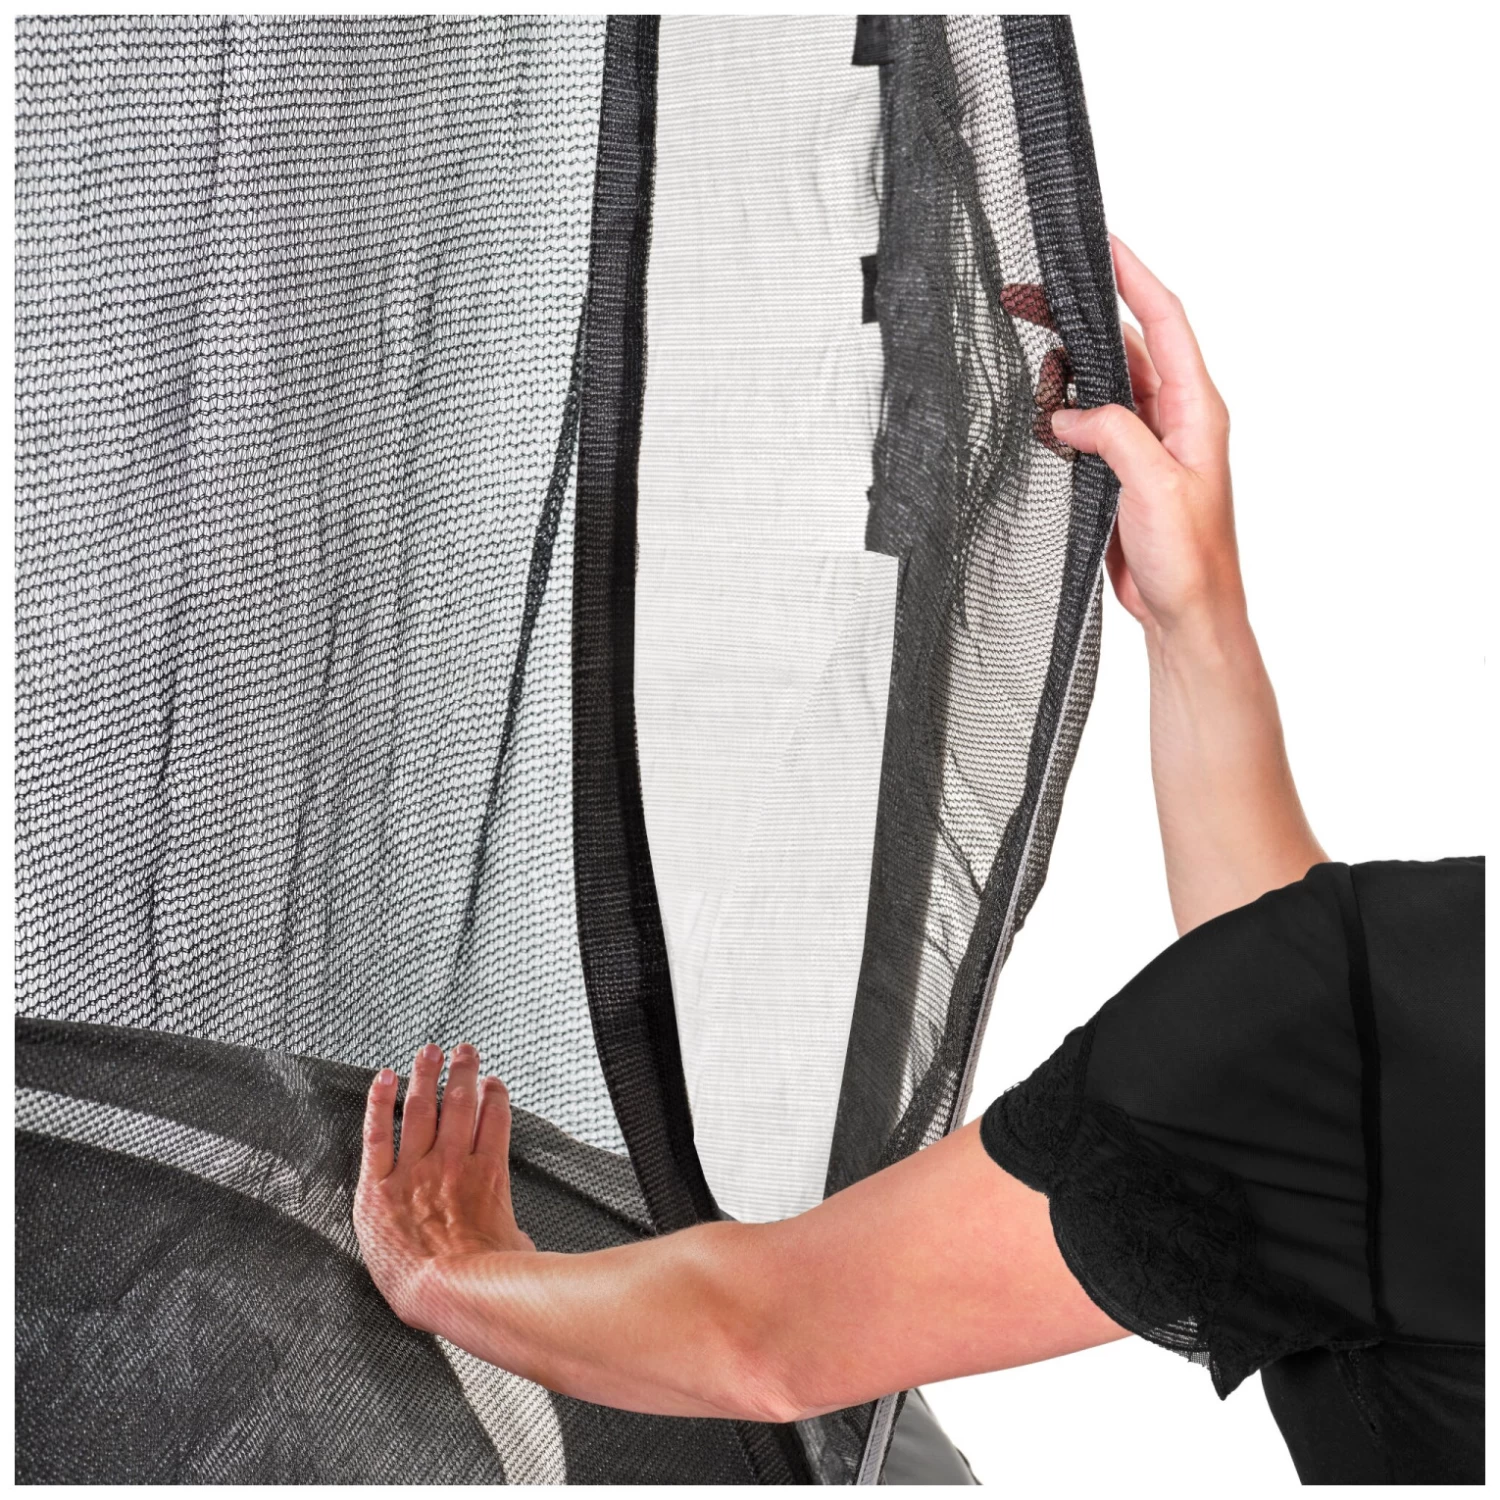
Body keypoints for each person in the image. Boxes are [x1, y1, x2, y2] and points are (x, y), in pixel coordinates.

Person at [352, 241, 1483, 1485]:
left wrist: (445, 1274)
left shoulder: (1380, 1032)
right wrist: (1192, 613)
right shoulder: (1392, 1033)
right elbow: (1335, 1058)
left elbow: (765, 1340)